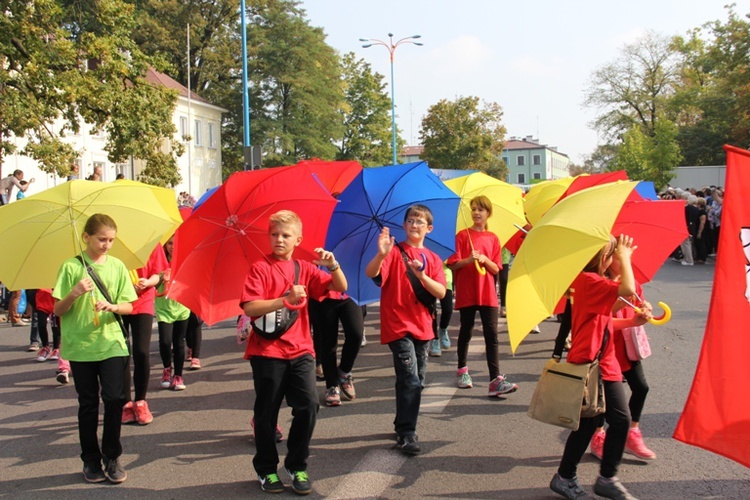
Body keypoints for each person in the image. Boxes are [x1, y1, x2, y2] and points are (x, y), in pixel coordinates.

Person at [240, 210, 346, 495]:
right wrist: (284, 300)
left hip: (301, 350)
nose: (279, 240)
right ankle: (266, 468)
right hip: (267, 352)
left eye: (286, 235)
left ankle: (296, 464)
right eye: (274, 234)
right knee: (266, 414)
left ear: (297, 239)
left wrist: (333, 265)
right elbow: (250, 308)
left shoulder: (305, 268)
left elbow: (340, 287)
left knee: (309, 406)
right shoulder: (259, 267)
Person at [550, 234, 641, 500]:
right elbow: (627, 290)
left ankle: (588, 477)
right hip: (592, 362)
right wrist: (625, 258)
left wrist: (632, 322)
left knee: (598, 422)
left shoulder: (592, 282)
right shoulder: (588, 281)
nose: (615, 258)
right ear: (603, 258)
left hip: (602, 360)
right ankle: (589, 478)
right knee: (601, 422)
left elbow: (604, 321)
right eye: (612, 254)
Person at [52, 213, 137, 484]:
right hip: (81, 345)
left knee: (114, 399)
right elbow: (58, 310)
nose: (107, 245)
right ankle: (90, 459)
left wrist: (113, 306)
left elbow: (129, 306)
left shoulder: (117, 266)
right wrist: (74, 292)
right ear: (86, 237)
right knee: (88, 403)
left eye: (111, 240)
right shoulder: (70, 267)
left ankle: (112, 456)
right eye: (102, 239)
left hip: (111, 341)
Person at [365, 204, 447, 456]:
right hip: (397, 324)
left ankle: (402, 422)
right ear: (404, 224)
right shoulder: (392, 251)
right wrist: (380, 254)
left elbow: (441, 292)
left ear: (429, 228)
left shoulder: (432, 258)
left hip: (423, 325)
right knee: (410, 378)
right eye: (410, 220)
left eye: (420, 222)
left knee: (416, 381)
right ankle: (407, 432)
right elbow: (372, 273)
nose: (414, 224)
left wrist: (422, 276)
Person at [446, 196, 518, 397]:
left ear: (488, 213)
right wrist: (469, 259)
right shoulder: (462, 236)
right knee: (466, 331)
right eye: (474, 209)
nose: (477, 213)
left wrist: (485, 259)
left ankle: (495, 378)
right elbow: (452, 264)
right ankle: (462, 371)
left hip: (487, 294)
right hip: (468, 291)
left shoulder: (494, 238)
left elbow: (497, 268)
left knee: (491, 335)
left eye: (481, 210)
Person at [589, 255, 656, 462]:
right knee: (601, 398)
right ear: (608, 260)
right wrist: (627, 316)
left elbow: (639, 310)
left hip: (627, 347)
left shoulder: (633, 283)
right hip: (606, 347)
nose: (626, 261)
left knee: (641, 387)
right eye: (620, 257)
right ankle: (598, 436)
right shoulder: (601, 283)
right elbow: (601, 319)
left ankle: (632, 433)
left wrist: (645, 309)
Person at [121, 245, 169, 425]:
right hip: (117, 303)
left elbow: (159, 273)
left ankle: (140, 401)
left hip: (143, 301)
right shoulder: (112, 243)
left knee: (141, 352)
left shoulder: (151, 241)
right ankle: (125, 403)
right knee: (121, 353)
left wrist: (148, 282)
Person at [309, 291, 363, 406]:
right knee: (328, 342)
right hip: (322, 294)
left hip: (348, 293)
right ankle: (331, 385)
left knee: (356, 334)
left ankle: (344, 371)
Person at [156, 235, 190, 391]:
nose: (172, 246)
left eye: (176, 243)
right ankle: (166, 368)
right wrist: (161, 278)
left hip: (182, 307)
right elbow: (152, 283)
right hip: (164, 308)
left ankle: (178, 375)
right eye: (170, 243)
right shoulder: (159, 262)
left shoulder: (186, 261)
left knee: (178, 342)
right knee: (164, 341)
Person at [429, 262, 453, 357]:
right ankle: (435, 338)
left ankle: (443, 329)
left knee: (448, 310)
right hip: (428, 279)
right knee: (431, 311)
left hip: (446, 278)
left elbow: (453, 261)